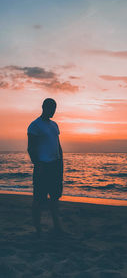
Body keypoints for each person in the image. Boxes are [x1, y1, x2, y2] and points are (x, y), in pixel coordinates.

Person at [27, 98, 63, 236]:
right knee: (38, 199)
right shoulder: (35, 125)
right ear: (43, 107)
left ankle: (57, 227)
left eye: (54, 108)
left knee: (54, 198)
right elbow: (31, 148)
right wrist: (38, 164)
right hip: (43, 166)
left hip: (55, 166)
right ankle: (38, 229)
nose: (53, 111)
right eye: (50, 108)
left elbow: (58, 146)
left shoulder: (54, 125)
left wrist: (61, 163)